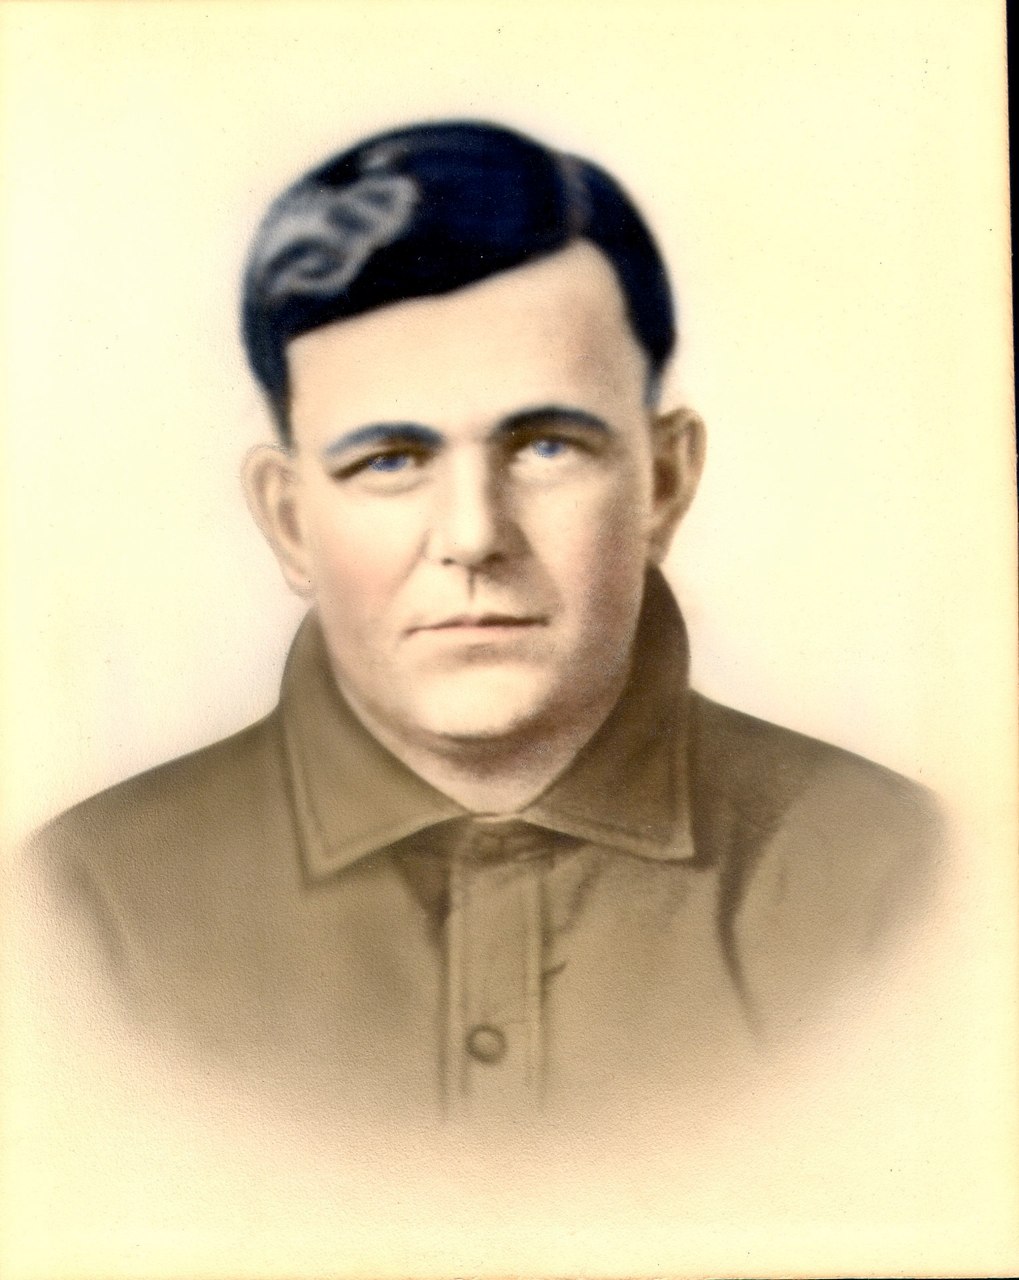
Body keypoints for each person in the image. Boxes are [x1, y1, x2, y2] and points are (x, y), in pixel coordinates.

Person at [24, 120, 942, 1127]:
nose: (472, 536)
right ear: (289, 521)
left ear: (664, 481)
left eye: (546, 445)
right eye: (389, 459)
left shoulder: (907, 883)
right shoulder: (76, 914)